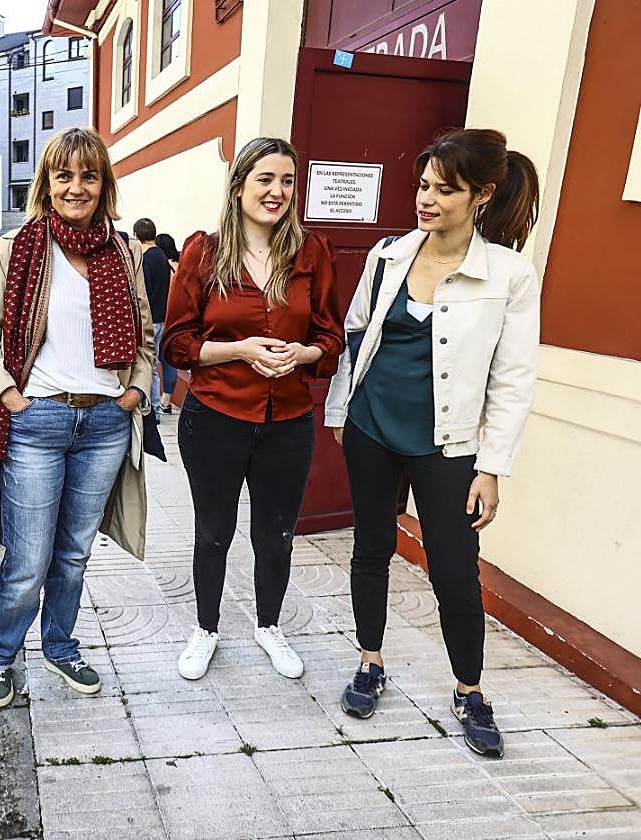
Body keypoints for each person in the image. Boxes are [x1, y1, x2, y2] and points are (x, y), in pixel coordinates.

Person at [324, 129, 540, 758]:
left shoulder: (508, 275)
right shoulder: (389, 255)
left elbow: (514, 378)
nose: (427, 199)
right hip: (371, 429)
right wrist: (341, 409)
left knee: (454, 570)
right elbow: (357, 333)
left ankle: (469, 690)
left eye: (446, 190)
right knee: (370, 548)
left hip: (448, 448)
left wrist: (492, 466)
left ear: (483, 195)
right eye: (424, 185)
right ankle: (370, 661)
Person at [0, 127, 155, 708]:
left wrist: (134, 394)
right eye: (64, 175)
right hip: (36, 425)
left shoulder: (123, 253)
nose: (76, 186)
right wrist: (11, 397)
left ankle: (61, 646)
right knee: (29, 557)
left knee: (74, 553)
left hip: (104, 426)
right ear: (47, 182)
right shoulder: (15, 249)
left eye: (88, 175)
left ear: (103, 184)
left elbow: (143, 334)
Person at [162, 137, 344, 683]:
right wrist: (241, 349)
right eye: (265, 179)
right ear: (239, 184)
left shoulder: (312, 253)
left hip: (287, 421)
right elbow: (177, 343)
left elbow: (330, 337)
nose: (277, 192)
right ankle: (206, 628)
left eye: (288, 181)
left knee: (276, 534)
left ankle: (269, 627)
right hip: (215, 416)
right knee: (213, 531)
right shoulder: (202, 252)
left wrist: (302, 353)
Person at [134, 218, 175, 417]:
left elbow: (144, 292)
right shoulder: (161, 257)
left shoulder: (146, 259)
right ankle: (156, 408)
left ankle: (151, 409)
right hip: (162, 317)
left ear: (136, 236)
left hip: (149, 319)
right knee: (155, 364)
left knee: (147, 366)